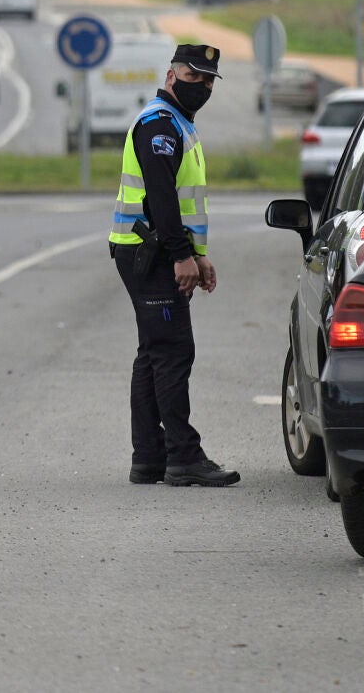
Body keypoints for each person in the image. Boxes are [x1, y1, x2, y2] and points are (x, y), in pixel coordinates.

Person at [109, 44, 240, 488]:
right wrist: (182, 256)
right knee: (172, 351)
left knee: (154, 353)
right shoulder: (159, 126)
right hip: (150, 253)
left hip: (151, 249)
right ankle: (183, 456)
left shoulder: (179, 124)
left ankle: (149, 458)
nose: (201, 85)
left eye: (208, 80)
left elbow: (184, 202)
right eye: (193, 76)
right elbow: (162, 198)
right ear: (171, 76)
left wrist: (198, 254)